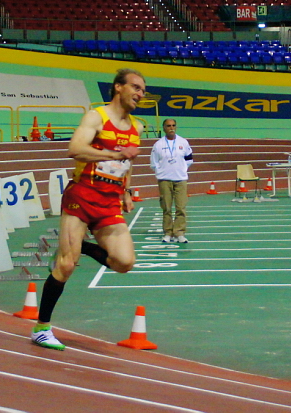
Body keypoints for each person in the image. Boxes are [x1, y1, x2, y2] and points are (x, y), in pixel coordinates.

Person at [31, 68, 146, 351]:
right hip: (81, 196)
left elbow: (127, 164)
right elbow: (75, 148)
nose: (140, 94)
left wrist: (126, 191)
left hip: (109, 203)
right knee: (66, 265)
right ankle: (41, 328)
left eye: (143, 90)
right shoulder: (97, 117)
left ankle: (79, 245)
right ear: (118, 87)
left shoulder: (138, 127)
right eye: (135, 87)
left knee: (124, 262)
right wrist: (114, 153)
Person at [150, 119, 193, 244]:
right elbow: (154, 163)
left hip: (180, 179)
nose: (171, 128)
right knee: (166, 208)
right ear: (164, 128)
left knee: (181, 208)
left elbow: (189, 159)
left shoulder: (183, 142)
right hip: (164, 180)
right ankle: (168, 233)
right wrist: (162, 172)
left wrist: (181, 169)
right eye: (168, 126)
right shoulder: (158, 144)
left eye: (173, 125)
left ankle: (179, 233)